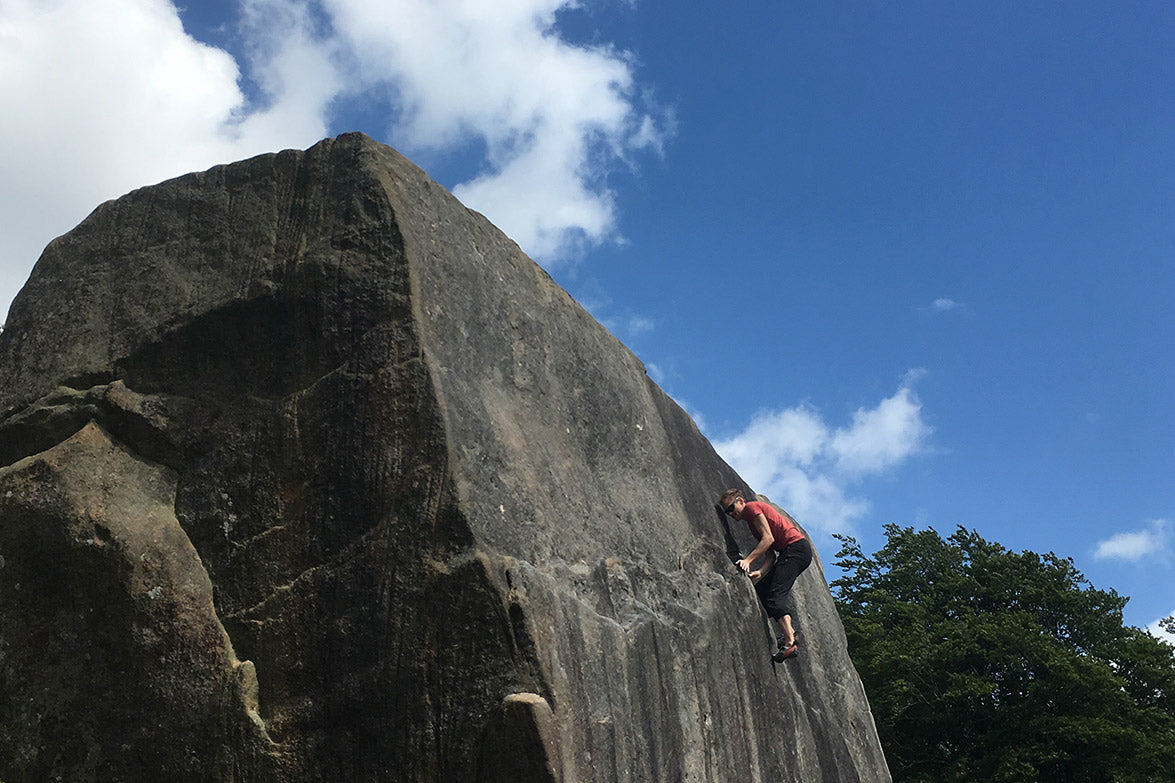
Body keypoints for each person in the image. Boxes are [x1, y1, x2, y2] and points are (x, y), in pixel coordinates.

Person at [719, 489, 813, 662]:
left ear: (740, 501)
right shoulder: (751, 523)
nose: (731, 514)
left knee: (774, 597)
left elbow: (768, 539)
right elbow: (770, 554)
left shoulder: (752, 508)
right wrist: (761, 572)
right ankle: (789, 634)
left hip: (795, 549)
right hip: (790, 552)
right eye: (727, 512)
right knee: (761, 593)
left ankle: (790, 641)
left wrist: (747, 560)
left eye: (731, 508)